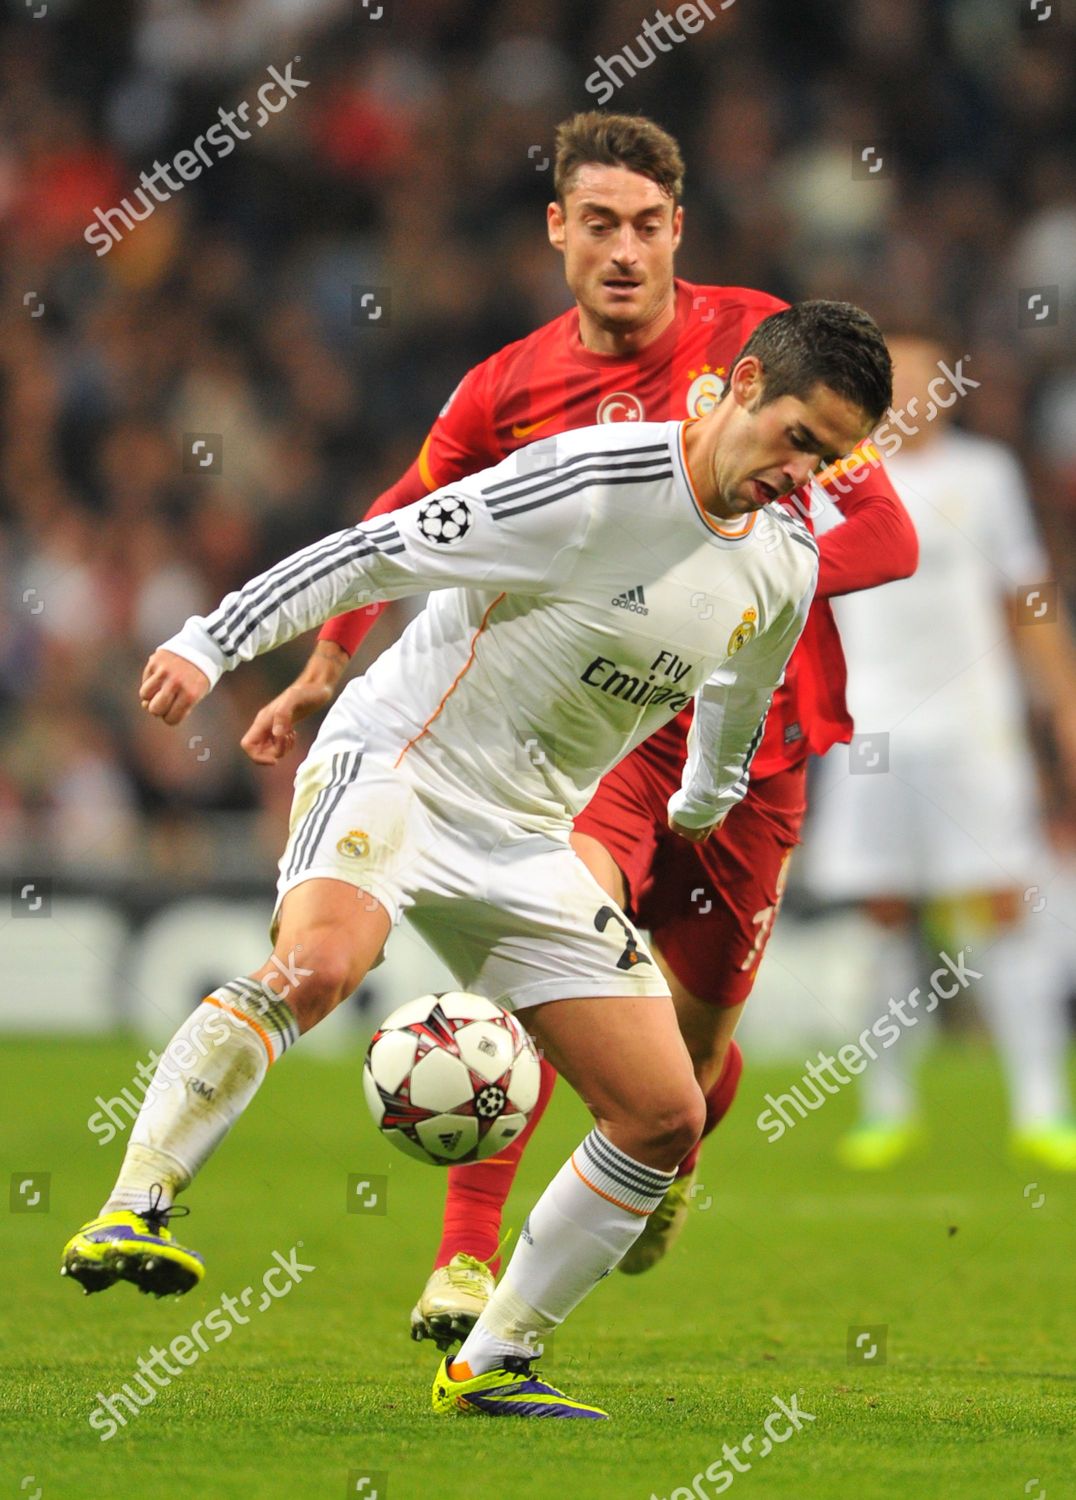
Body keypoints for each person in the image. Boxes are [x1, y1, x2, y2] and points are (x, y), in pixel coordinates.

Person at [61, 300, 892, 1420]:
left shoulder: (782, 562)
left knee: (662, 1113)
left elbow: (738, 698)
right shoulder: (586, 488)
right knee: (317, 965)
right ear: (739, 385)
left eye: (829, 459)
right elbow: (371, 556)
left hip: (529, 837)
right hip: (400, 770)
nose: (804, 474)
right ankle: (137, 1203)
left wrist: (705, 795)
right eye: (798, 438)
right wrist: (212, 641)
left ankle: (492, 1360)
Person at [237, 111, 918, 1344]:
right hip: (592, 736)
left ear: (677, 233)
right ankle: (462, 1264)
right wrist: (325, 663)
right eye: (597, 223)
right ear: (558, 229)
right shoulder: (513, 382)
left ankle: (683, 1129)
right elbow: (409, 515)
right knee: (552, 940)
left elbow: (889, 529)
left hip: (747, 747)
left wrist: (749, 562)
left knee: (692, 1067)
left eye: (645, 225)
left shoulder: (764, 349)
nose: (622, 249)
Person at [805, 330, 1076, 1170]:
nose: (915, 388)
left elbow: (1026, 601)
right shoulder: (829, 482)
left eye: (927, 373)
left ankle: (1040, 1105)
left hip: (974, 727)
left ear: (947, 387)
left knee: (1001, 904)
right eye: (897, 375)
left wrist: (1063, 706)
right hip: (873, 730)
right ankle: (887, 1107)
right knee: (884, 914)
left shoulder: (985, 477)